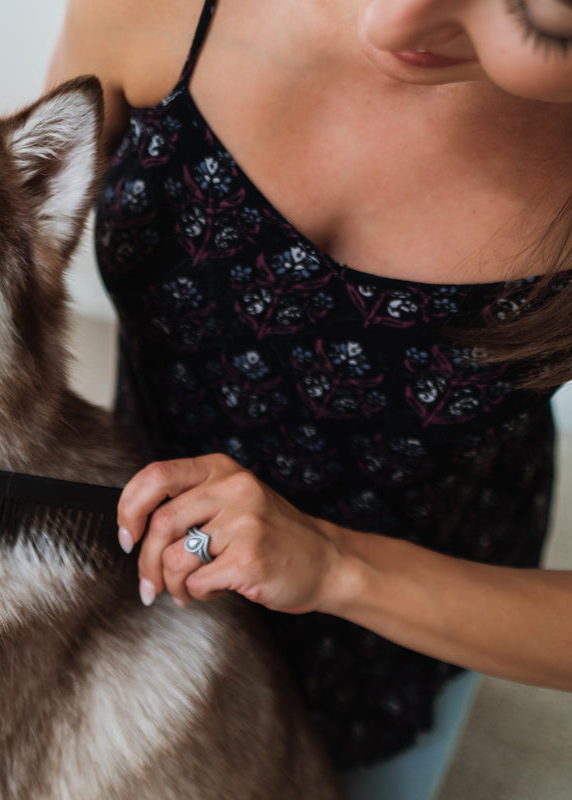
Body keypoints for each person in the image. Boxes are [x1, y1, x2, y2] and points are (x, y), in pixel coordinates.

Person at [47, 0, 572, 795]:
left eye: (535, 21)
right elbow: (16, 248)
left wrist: (337, 566)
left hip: (401, 622)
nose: (387, 25)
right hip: (140, 560)